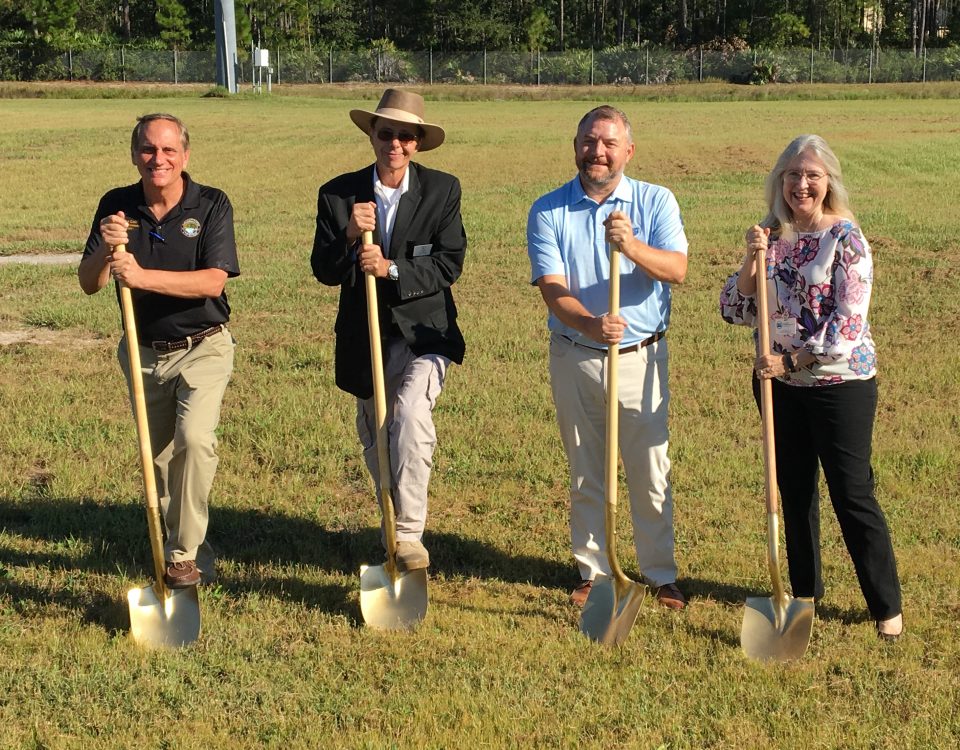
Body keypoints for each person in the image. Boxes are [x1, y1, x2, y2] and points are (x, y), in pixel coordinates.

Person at [719, 134, 903, 641]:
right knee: (794, 494)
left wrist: (791, 360)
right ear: (780, 181)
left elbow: (847, 326)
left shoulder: (846, 239)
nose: (802, 184)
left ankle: (885, 606)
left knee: (852, 494)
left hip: (838, 385)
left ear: (828, 184)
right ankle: (802, 598)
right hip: (778, 387)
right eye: (793, 174)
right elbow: (734, 310)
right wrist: (748, 260)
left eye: (813, 175)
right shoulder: (770, 236)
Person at [527, 105, 688, 610]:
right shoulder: (548, 209)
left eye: (609, 143)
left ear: (628, 151)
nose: (598, 151)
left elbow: (677, 270)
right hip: (576, 354)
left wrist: (631, 245)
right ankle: (595, 572)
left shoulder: (655, 201)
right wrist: (590, 324)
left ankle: (660, 574)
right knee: (586, 469)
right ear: (575, 145)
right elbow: (553, 290)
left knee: (649, 469)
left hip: (640, 358)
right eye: (589, 141)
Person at [79, 113, 239, 589]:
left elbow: (214, 281)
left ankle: (183, 556)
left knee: (195, 441)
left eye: (169, 150)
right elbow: (89, 284)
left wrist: (142, 277)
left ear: (185, 156)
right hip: (143, 350)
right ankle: (189, 545)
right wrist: (106, 253)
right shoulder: (116, 205)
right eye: (149, 149)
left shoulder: (210, 204)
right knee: (162, 461)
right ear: (134, 154)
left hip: (203, 346)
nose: (158, 159)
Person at [311, 89, 466, 572]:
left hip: (425, 334)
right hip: (366, 338)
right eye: (386, 133)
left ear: (417, 142)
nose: (394, 143)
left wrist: (391, 269)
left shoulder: (442, 190)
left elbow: (449, 263)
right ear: (371, 136)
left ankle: (409, 536)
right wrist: (351, 237)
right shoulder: (339, 194)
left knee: (411, 419)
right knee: (379, 440)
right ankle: (392, 520)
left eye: (405, 135)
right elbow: (324, 269)